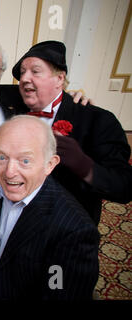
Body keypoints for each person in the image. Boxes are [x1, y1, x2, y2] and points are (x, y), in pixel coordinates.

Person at [0, 115, 100, 300]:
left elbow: (59, 292)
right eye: (1, 157)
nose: (9, 172)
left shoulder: (75, 231)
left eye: (25, 160)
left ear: (50, 165)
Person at [11, 40, 132, 224]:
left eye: (35, 71)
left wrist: (84, 166)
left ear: (60, 79)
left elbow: (124, 187)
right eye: (22, 73)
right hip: (14, 210)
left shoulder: (98, 120)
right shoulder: (13, 100)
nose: (25, 78)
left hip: (65, 220)